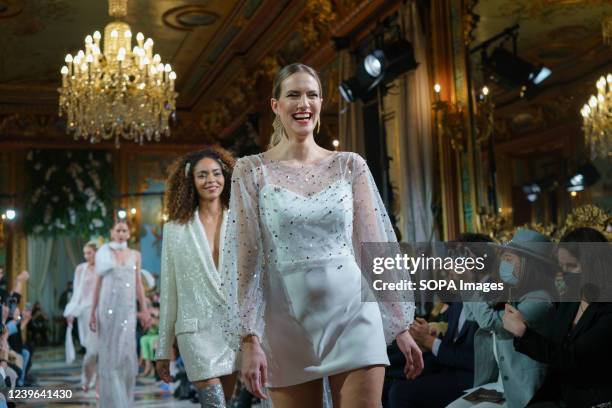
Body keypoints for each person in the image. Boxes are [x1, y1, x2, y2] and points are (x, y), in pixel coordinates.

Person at [223, 63, 423, 408]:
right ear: (276, 105)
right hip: (285, 324)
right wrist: (248, 338)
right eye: (294, 94)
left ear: (321, 103)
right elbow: (246, 261)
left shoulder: (351, 165)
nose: (304, 103)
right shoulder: (250, 171)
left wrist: (399, 324)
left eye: (312, 94)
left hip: (354, 315)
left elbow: (372, 248)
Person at [156, 148, 238, 408]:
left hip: (233, 329)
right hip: (195, 333)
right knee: (214, 403)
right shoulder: (174, 230)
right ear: (190, 181)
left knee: (227, 400)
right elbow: (168, 292)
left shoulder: (241, 220)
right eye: (202, 175)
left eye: (216, 173)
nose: (211, 180)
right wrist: (163, 349)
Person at [447, 228, 558, 408]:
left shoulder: (541, 299)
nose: (503, 264)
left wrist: (468, 284)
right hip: (500, 384)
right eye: (503, 259)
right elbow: (471, 316)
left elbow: (491, 322)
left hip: (522, 389)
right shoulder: (514, 292)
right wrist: (469, 279)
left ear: (527, 264)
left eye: (508, 259)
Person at [503, 227, 612, 407]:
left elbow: (574, 359)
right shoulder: (572, 297)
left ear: (594, 264)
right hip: (561, 390)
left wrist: (524, 333)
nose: (566, 274)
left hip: (596, 397)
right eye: (562, 267)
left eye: (571, 266)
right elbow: (555, 342)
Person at [89, 221, 151, 408]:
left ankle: (123, 397)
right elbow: (97, 284)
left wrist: (145, 309)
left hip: (128, 310)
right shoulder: (103, 254)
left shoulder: (135, 255)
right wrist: (92, 312)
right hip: (106, 308)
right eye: (118, 230)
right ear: (112, 232)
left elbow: (139, 283)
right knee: (109, 352)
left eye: (125, 230)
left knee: (125, 352)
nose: (122, 233)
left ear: (129, 234)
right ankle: (112, 400)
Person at [63, 241, 98, 391]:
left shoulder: (103, 268)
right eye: (85, 253)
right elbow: (77, 294)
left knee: (99, 349)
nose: (86, 256)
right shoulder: (80, 269)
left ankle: (95, 381)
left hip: (101, 311)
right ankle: (88, 377)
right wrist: (71, 311)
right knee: (90, 349)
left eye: (89, 253)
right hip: (85, 312)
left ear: (96, 252)